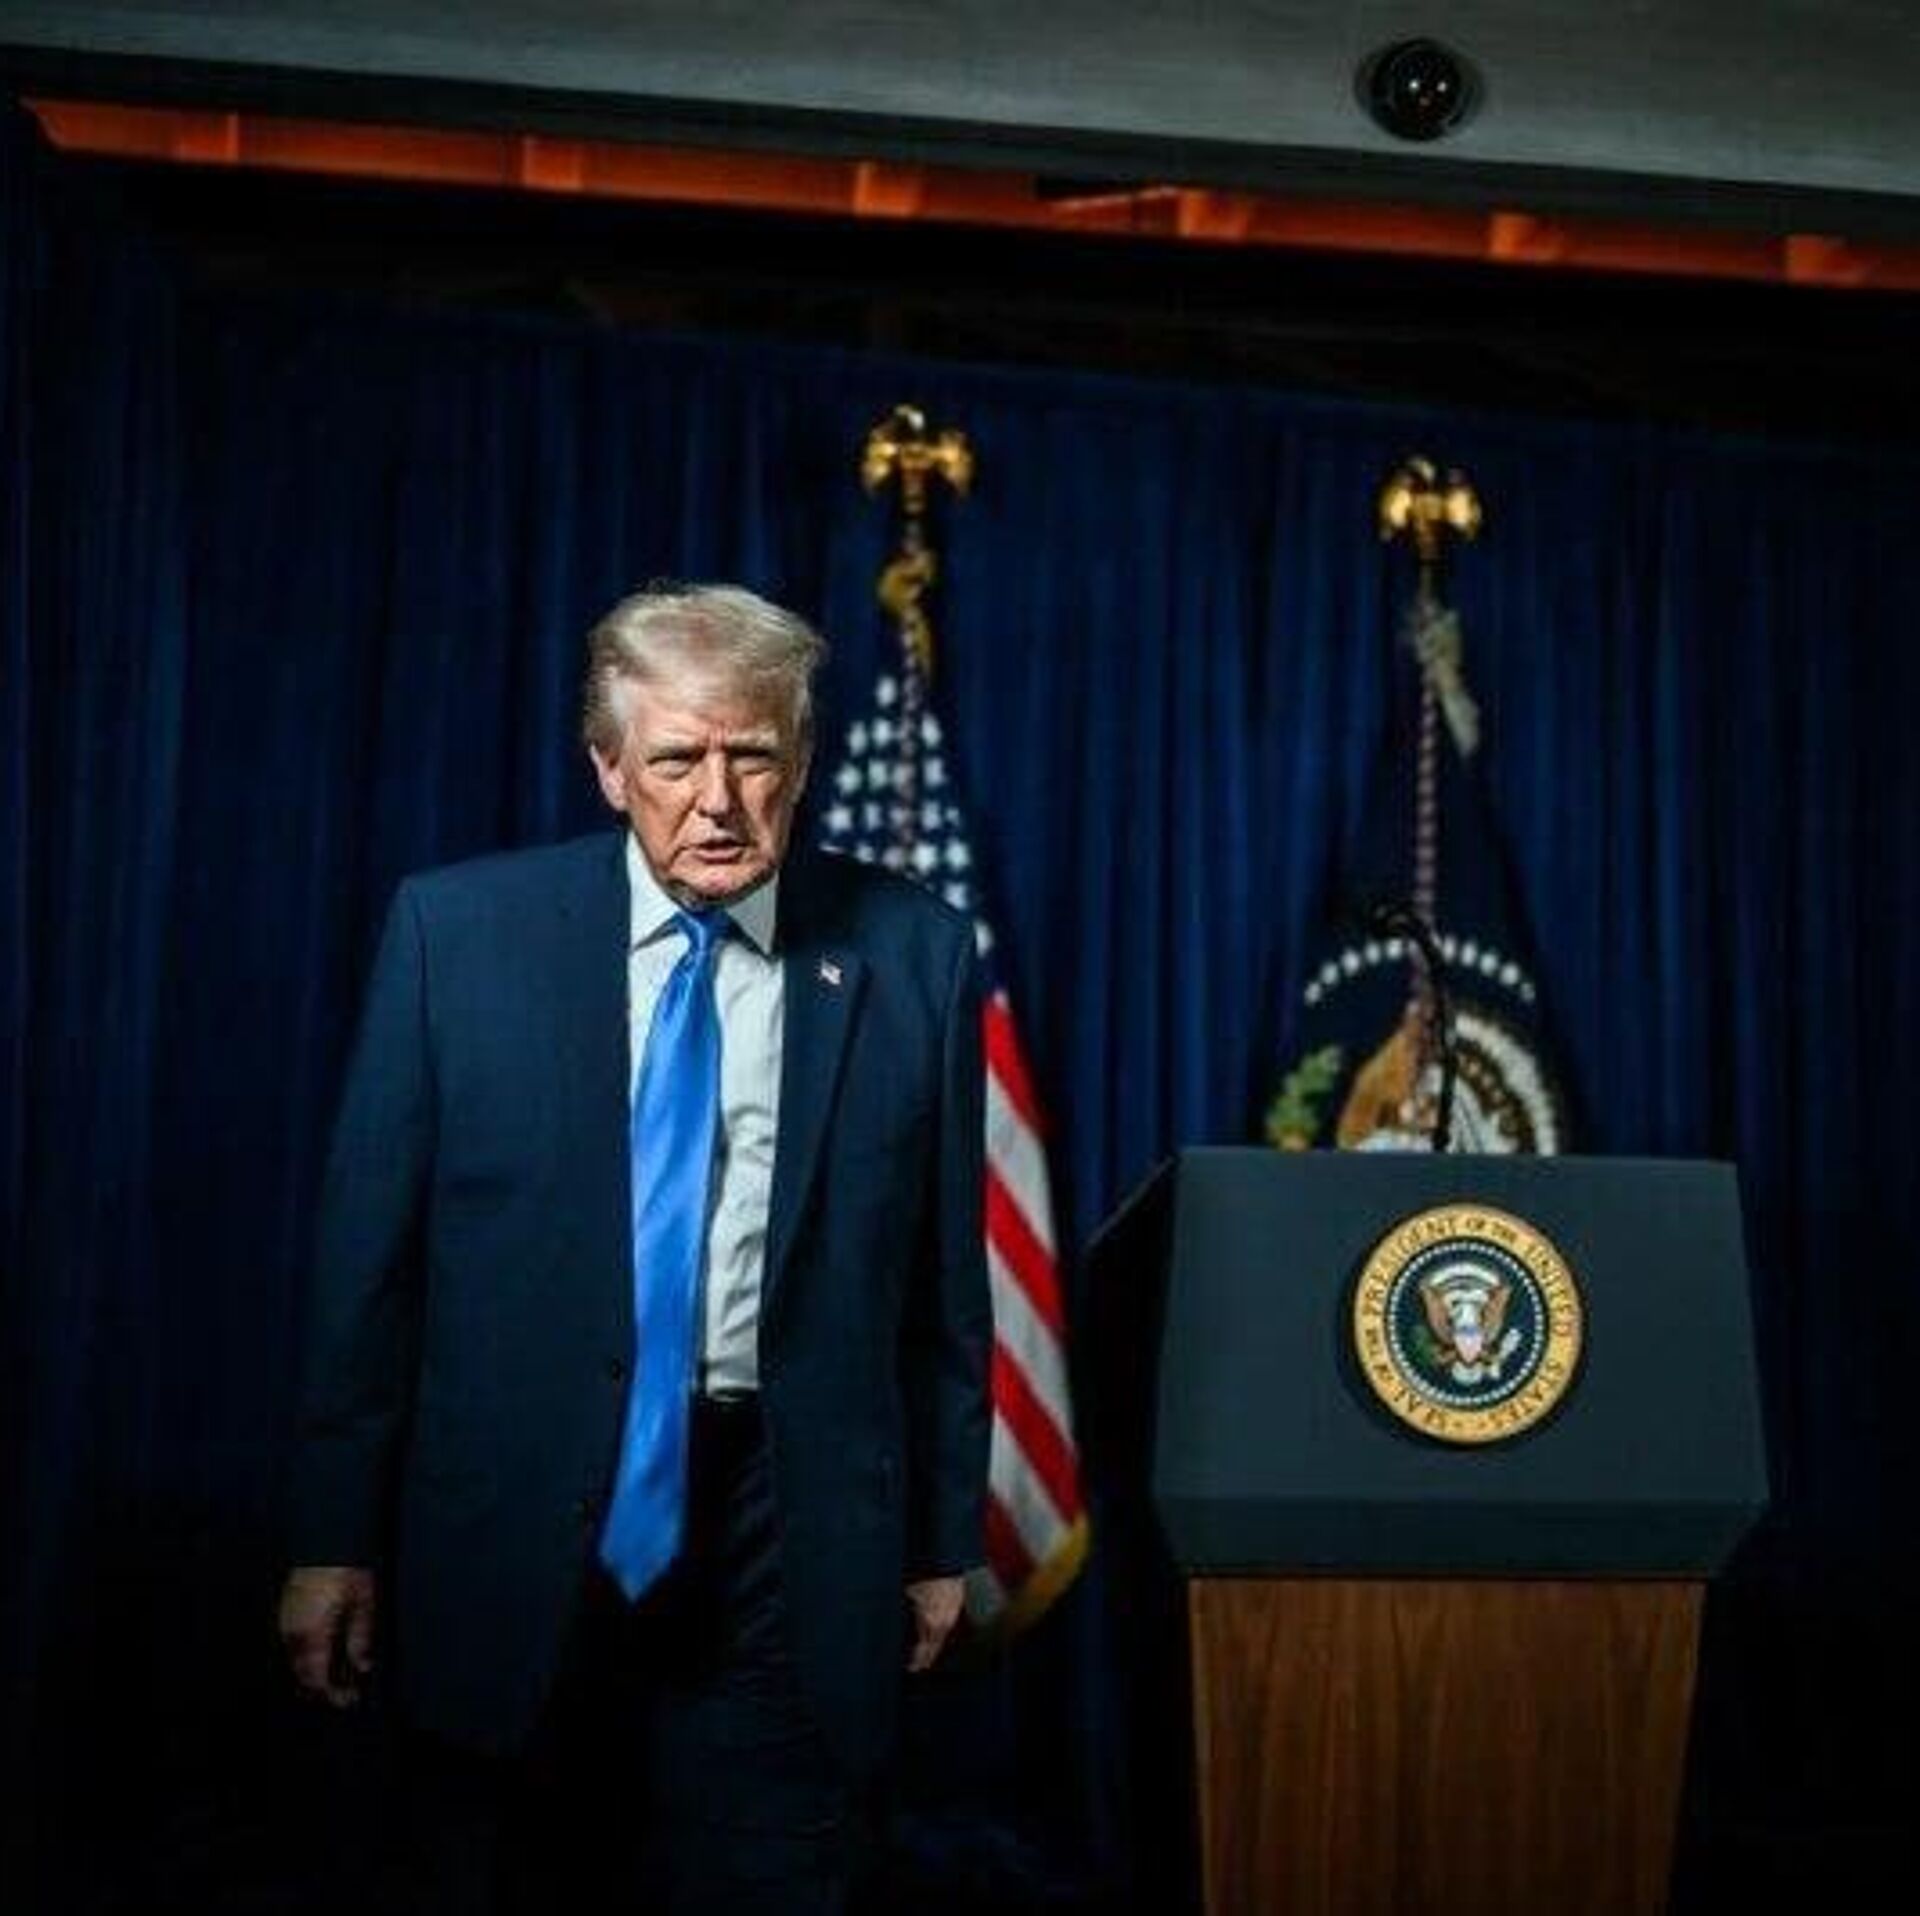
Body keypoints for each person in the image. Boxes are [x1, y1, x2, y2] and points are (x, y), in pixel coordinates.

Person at [278, 583, 991, 1914]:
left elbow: (944, 1287)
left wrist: (942, 1538)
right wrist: (332, 1538)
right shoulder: (457, 938)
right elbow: (367, 1269)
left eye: (752, 756)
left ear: (802, 762)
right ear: (610, 770)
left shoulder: (919, 956)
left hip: (784, 1529)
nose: (718, 801)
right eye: (675, 760)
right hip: (514, 1524)